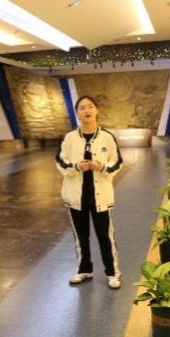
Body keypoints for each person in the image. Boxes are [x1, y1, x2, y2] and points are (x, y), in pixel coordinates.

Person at [55, 95, 123, 289]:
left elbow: (117, 162)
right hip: (76, 196)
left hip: (100, 197)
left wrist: (102, 167)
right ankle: (84, 269)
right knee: (81, 236)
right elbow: (60, 161)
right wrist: (76, 166)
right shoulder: (69, 138)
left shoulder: (107, 137)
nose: (87, 110)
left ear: (96, 110)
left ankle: (113, 273)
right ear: (77, 113)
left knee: (105, 237)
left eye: (90, 106)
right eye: (82, 107)